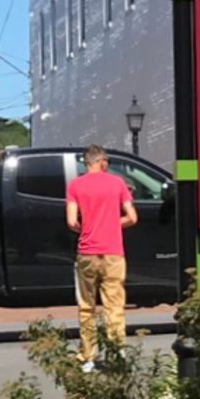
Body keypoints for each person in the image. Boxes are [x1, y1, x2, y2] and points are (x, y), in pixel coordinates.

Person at [64, 144, 137, 370]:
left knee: (87, 306)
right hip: (113, 251)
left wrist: (89, 227)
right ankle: (118, 351)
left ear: (86, 163)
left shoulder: (75, 186)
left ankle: (88, 357)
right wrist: (112, 224)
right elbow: (132, 217)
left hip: (87, 251)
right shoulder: (117, 183)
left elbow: (71, 221)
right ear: (102, 161)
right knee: (114, 304)